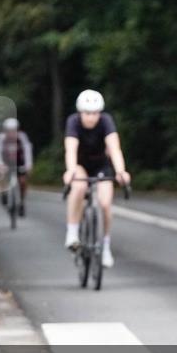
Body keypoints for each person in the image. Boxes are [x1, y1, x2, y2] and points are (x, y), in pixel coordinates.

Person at [62, 90, 130, 268]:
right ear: (80, 112)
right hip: (80, 164)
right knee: (78, 187)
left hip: (101, 165)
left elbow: (114, 148)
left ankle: (105, 246)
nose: (91, 117)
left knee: (106, 204)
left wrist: (121, 171)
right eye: (87, 113)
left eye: (94, 113)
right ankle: (73, 232)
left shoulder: (106, 121)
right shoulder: (73, 122)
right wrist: (70, 171)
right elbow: (70, 149)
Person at [0, 118, 33, 216]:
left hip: (19, 162)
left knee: (23, 181)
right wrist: (0, 163)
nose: (11, 133)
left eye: (13, 130)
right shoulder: (1, 138)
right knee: (1, 176)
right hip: (6, 162)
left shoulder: (22, 137)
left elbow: (27, 151)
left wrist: (28, 165)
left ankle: (22, 202)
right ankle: (3, 193)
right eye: (9, 131)